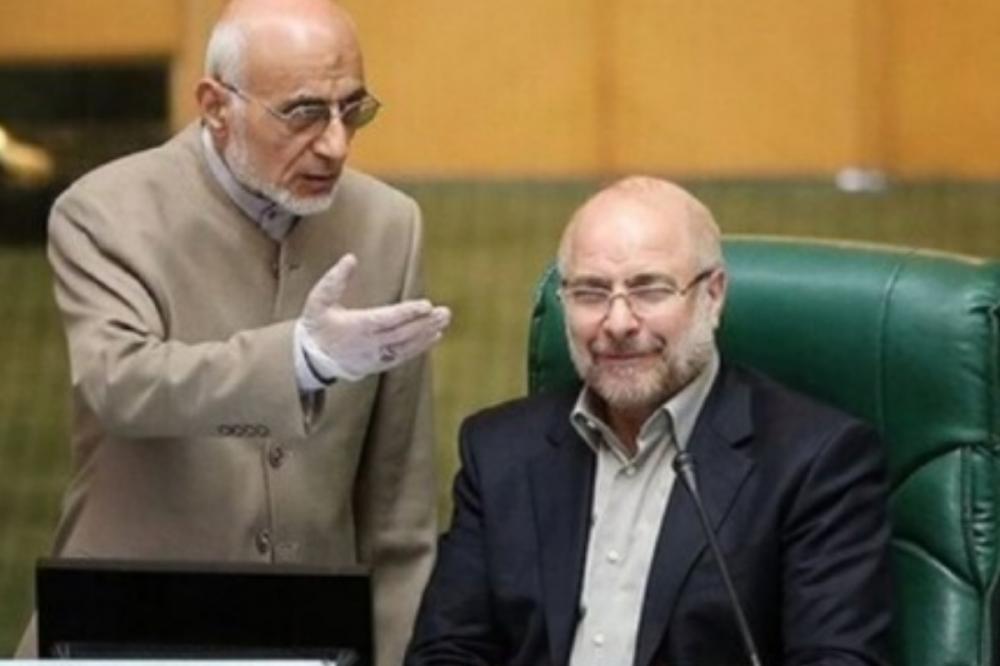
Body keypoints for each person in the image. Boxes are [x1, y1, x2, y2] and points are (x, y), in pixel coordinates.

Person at [16, 1, 449, 664]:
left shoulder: (391, 225)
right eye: (304, 113)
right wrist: (300, 361)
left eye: (352, 110)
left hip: (315, 644)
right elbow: (121, 384)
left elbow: (399, 509)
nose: (336, 144)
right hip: (125, 637)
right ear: (216, 107)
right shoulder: (103, 212)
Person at [406, 177, 891, 665]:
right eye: (591, 293)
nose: (618, 323)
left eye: (650, 290)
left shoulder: (815, 462)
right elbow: (448, 652)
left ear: (713, 295)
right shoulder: (500, 452)